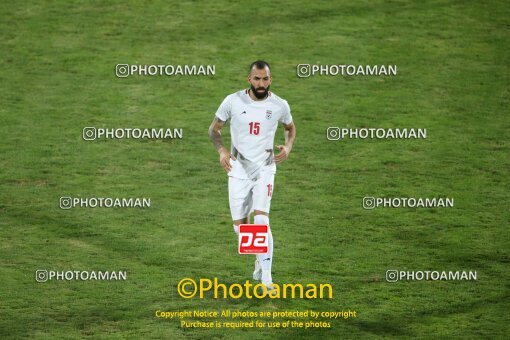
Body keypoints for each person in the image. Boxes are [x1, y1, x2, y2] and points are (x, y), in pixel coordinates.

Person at [208, 60, 296, 290]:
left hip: (265, 168)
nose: (261, 83)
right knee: (241, 229)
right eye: (256, 79)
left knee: (261, 219)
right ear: (249, 79)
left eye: (265, 79)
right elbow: (214, 129)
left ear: (270, 80)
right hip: (238, 169)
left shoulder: (279, 105)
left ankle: (267, 277)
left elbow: (290, 128)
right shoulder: (233, 101)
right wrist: (221, 151)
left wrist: (287, 147)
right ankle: (259, 257)